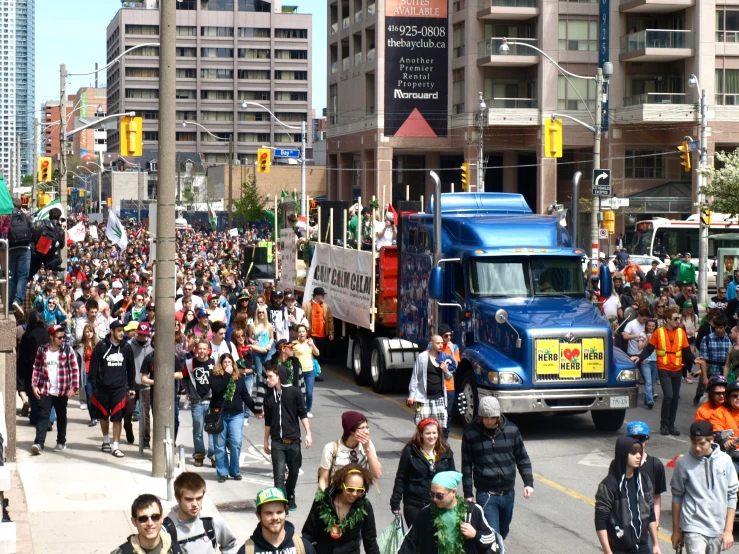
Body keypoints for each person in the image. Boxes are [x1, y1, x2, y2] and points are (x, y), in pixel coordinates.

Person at [461, 396, 533, 539]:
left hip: (508, 494)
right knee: (493, 535)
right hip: (486, 495)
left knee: (503, 532)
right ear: (480, 416)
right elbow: (467, 466)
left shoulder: (512, 430)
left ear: (498, 416)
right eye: (486, 417)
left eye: (493, 417)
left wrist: (528, 482)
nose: (489, 421)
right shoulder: (471, 434)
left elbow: (522, 457)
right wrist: (468, 493)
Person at [630, 305, 703, 436]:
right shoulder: (659, 332)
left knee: (675, 398)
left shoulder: (681, 332)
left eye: (678, 318)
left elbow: (686, 351)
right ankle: (664, 424)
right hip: (663, 369)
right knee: (668, 396)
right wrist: (639, 357)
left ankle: (671, 425)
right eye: (675, 318)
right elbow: (649, 349)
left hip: (677, 369)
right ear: (668, 319)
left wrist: (694, 360)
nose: (678, 321)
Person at [670, 420, 738, 554]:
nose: (697, 448)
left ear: (711, 440)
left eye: (702, 443)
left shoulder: (725, 461)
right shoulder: (682, 463)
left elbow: (732, 495)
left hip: (717, 527)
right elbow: (677, 497)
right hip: (693, 526)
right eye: (694, 443)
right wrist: (676, 531)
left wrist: (728, 530)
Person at [398, 471, 503, 554]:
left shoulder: (472, 511)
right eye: (432, 494)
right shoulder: (427, 513)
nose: (435, 499)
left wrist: (475, 534)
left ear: (453, 492)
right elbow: (410, 541)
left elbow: (491, 537)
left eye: (439, 495)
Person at [594, 436, 660, 554]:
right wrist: (607, 551)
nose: (639, 456)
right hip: (619, 549)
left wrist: (656, 544)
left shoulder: (644, 480)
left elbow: (650, 514)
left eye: (639, 453)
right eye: (634, 453)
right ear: (623, 455)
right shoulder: (609, 485)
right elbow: (600, 521)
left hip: (642, 547)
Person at [263, 364, 312, 511]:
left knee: (294, 472)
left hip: (294, 441)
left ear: (279, 377)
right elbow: (268, 421)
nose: (267, 380)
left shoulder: (294, 392)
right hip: (277, 442)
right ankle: (281, 505)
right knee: (278, 476)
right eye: (267, 376)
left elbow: (303, 414)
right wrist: (266, 440)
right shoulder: (269, 397)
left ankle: (290, 495)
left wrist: (308, 433)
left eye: (270, 376)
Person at [391, 418, 456, 528]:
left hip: (439, 504)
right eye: (428, 433)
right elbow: (401, 478)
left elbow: (452, 479)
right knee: (419, 541)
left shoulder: (446, 452)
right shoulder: (410, 452)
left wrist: (453, 503)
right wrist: (395, 503)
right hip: (414, 504)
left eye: (434, 433)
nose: (432, 436)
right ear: (421, 434)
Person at [303, 465, 380, 554]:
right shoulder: (323, 501)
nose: (354, 494)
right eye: (350, 489)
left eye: (359, 490)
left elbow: (370, 541)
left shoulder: (365, 506)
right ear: (340, 485)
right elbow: (308, 534)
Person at [89, 320, 136, 458]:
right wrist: (93, 386)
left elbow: (131, 369)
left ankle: (116, 446)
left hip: (119, 388)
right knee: (103, 416)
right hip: (102, 388)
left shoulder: (126, 348)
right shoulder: (101, 346)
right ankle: (105, 441)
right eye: (119, 330)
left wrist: (131, 387)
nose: (122, 333)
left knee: (117, 417)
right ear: (112, 331)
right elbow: (93, 368)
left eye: (123, 330)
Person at [30, 324, 79, 455]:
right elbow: (36, 368)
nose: (62, 340)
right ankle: (39, 443)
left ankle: (61, 441)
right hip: (46, 389)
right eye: (59, 338)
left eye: (63, 337)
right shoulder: (42, 350)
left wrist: (74, 387)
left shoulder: (67, 350)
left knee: (61, 417)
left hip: (62, 391)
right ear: (51, 337)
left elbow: (74, 369)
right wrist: (34, 385)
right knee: (43, 417)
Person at [165, 472, 240, 554]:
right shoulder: (166, 529)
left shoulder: (213, 521)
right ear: (178, 498)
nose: (195, 504)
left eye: (199, 498)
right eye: (189, 499)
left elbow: (231, 544)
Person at [209, 352, 256, 482]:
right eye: (225, 362)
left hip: (236, 414)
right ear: (220, 364)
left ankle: (235, 470)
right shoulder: (215, 376)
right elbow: (217, 390)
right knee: (219, 444)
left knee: (236, 442)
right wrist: (227, 375)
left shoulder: (239, 378)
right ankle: (222, 472)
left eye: (229, 362)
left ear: (233, 363)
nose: (227, 364)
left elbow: (245, 396)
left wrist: (256, 410)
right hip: (219, 414)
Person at [625, 422, 666, 553]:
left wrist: (655, 524)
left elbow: (656, 498)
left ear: (647, 440)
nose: (637, 442)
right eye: (633, 439)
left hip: (645, 524)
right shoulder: (620, 464)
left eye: (641, 438)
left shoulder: (655, 465)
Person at [238, 487, 316, 554]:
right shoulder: (246, 551)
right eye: (268, 513)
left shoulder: (303, 547)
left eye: (279, 512)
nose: (275, 517)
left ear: (286, 513)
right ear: (258, 515)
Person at [318, 411, 383, 491]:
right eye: (362, 428)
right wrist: (324, 501)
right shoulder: (331, 448)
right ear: (351, 431)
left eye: (367, 427)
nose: (367, 432)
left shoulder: (367, 445)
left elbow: (377, 474)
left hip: (359, 497)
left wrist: (368, 449)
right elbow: (323, 479)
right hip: (337, 498)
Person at [407, 334, 457, 431]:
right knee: (421, 425)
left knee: (438, 427)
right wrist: (411, 395)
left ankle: (437, 445)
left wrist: (446, 371)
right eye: (438, 343)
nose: (440, 345)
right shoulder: (422, 357)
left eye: (442, 343)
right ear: (431, 344)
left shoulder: (444, 358)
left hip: (439, 397)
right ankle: (421, 444)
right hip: (422, 398)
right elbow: (415, 376)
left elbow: (448, 377)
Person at [182, 339, 216, 467]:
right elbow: (184, 378)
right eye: (199, 349)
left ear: (208, 350)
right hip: (197, 401)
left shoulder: (214, 362)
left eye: (204, 349)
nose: (201, 351)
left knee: (212, 430)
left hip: (211, 401)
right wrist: (189, 391)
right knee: (198, 430)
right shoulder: (190, 363)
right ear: (196, 350)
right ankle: (199, 455)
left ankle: (213, 455)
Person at [111, 494, 180, 554]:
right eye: (143, 519)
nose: (150, 523)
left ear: (161, 518)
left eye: (155, 517)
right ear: (134, 521)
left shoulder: (177, 551)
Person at [123, 321, 154, 447]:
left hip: (146, 384)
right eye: (140, 334)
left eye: (144, 334)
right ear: (136, 332)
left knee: (145, 413)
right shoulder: (128, 345)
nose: (142, 337)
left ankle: (146, 439)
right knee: (127, 411)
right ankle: (128, 430)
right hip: (131, 384)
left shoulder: (152, 346)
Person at [17, 310, 49, 421]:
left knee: (34, 392)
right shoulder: (46, 333)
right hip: (47, 365)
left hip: (32, 367)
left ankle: (35, 415)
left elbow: (23, 356)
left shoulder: (28, 335)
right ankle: (48, 418)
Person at [697, 314, 731, 405]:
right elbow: (703, 359)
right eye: (716, 327)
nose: (718, 330)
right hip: (712, 371)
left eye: (720, 328)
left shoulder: (730, 339)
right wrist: (704, 377)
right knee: (708, 399)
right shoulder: (707, 338)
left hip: (726, 371)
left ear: (725, 327)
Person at [433, 324, 460, 439]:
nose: (448, 338)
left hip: (449, 386)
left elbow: (456, 365)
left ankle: (445, 436)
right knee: (436, 413)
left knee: (447, 413)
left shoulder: (454, 348)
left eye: (450, 335)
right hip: (437, 385)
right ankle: (436, 434)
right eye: (446, 336)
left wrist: (452, 352)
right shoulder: (433, 346)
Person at [8, 198, 34, 318]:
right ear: (20, 206)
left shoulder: (7, 216)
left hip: (11, 248)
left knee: (12, 276)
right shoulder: (25, 216)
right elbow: (32, 229)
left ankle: (9, 303)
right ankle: (17, 300)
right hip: (24, 248)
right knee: (22, 275)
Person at [292, 324, 319, 417]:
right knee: (298, 392)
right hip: (299, 372)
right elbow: (290, 356)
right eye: (299, 332)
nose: (301, 333)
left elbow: (317, 353)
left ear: (306, 333)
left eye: (303, 331)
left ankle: (308, 409)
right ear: (297, 334)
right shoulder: (294, 343)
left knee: (309, 393)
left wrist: (312, 345)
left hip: (310, 371)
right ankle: (298, 409)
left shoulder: (310, 342)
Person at [302, 287, 334, 362]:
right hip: (311, 334)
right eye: (322, 295)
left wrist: (331, 333)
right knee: (312, 352)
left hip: (322, 335)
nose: (324, 297)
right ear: (316, 295)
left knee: (320, 354)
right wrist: (304, 332)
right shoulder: (306, 305)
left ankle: (318, 368)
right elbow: (302, 319)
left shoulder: (325, 306)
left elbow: (330, 320)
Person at [77, 323, 99, 426]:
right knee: (90, 396)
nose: (89, 333)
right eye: (87, 331)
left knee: (98, 395)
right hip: (86, 373)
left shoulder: (99, 344)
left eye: (90, 331)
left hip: (97, 374)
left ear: (93, 332)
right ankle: (93, 417)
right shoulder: (81, 346)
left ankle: (98, 414)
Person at [637, 319, 658, 409]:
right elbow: (640, 347)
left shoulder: (658, 334)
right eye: (649, 326)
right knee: (648, 382)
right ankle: (650, 401)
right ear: (646, 326)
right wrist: (647, 339)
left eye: (653, 326)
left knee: (651, 383)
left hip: (655, 360)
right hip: (645, 361)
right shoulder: (642, 334)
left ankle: (647, 399)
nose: (651, 328)